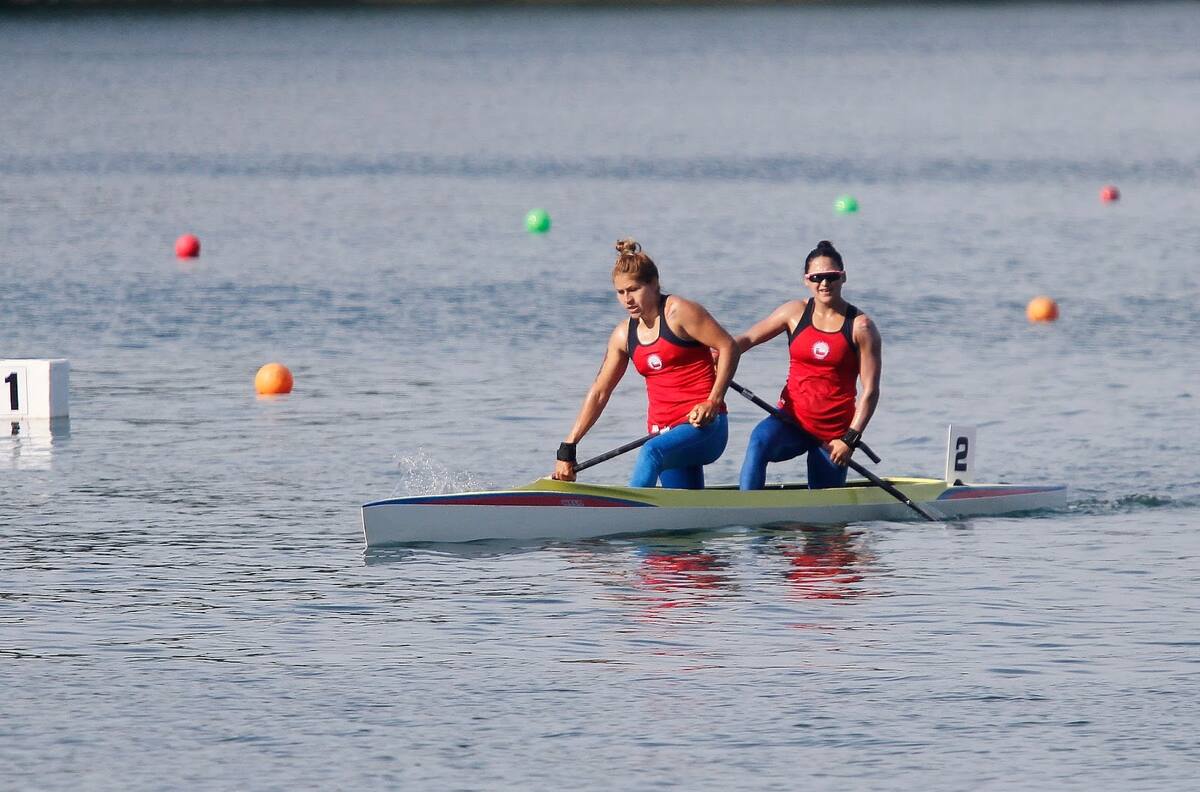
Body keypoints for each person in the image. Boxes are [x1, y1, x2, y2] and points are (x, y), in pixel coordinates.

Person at [554, 239, 739, 489]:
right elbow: (600, 392)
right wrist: (568, 446)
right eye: (620, 292)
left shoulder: (680, 313)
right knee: (683, 508)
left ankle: (628, 513)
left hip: (704, 428)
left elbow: (728, 347)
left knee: (650, 453)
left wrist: (713, 401)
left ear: (654, 284)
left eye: (634, 289)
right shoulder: (623, 335)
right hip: (663, 431)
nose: (627, 299)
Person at [736, 240, 881, 490]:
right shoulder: (793, 312)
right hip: (791, 421)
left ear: (843, 277)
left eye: (831, 276)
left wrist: (850, 439)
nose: (824, 283)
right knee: (759, 441)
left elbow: (870, 391)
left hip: (834, 435)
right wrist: (717, 353)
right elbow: (747, 339)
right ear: (806, 280)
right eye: (816, 277)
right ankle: (745, 507)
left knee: (826, 514)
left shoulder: (861, 327)